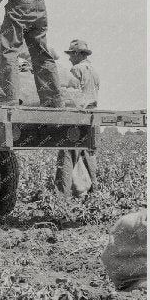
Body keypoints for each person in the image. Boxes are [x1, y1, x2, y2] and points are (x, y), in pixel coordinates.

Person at [56, 37, 101, 198]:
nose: (69, 58)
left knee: (67, 156)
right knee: (89, 156)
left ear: (77, 53)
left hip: (77, 118)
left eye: (71, 54)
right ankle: (94, 195)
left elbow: (72, 96)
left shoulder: (76, 70)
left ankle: (61, 198)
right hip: (92, 117)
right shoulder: (94, 71)